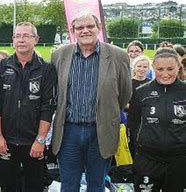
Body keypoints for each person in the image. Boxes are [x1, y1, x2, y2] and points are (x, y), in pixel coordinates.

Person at [50, 11, 132, 191]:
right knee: (69, 185)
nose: (85, 30)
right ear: (73, 31)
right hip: (68, 133)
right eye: (79, 27)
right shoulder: (59, 55)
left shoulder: (118, 56)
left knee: (96, 185)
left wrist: (107, 113)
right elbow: (55, 93)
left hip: (101, 133)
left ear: (99, 28)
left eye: (90, 26)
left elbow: (125, 93)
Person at [0, 22, 57, 192]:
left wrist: (40, 140)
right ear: (13, 40)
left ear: (36, 39)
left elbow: (48, 108)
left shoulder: (47, 69)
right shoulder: (1, 67)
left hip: (34, 142)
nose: (21, 40)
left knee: (34, 187)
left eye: (26, 35)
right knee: (8, 187)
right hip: (6, 141)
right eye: (17, 36)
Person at [129, 47, 186, 191]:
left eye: (170, 69)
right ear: (153, 68)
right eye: (160, 69)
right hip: (147, 160)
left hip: (178, 161)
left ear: (178, 67)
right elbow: (134, 124)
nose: (165, 74)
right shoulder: (141, 92)